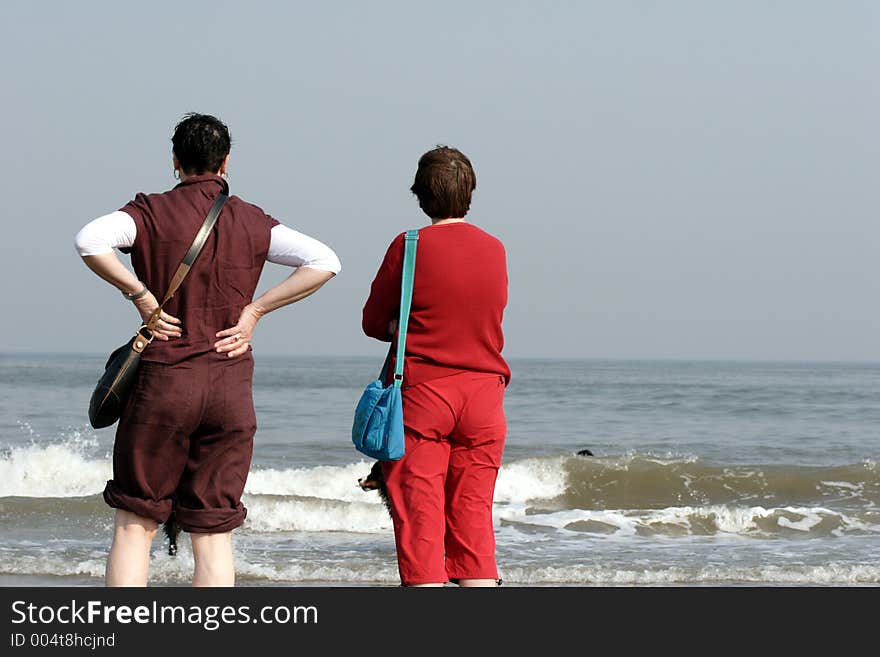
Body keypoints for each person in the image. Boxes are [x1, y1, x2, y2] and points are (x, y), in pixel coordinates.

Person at [74, 113, 341, 586]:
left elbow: (89, 240)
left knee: (137, 525)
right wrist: (255, 312)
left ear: (175, 161)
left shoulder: (150, 213)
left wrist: (141, 296)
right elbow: (324, 261)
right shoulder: (254, 221)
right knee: (213, 534)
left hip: (164, 387)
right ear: (226, 163)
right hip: (229, 389)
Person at [362, 145, 510, 587]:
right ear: (470, 193)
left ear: (421, 196)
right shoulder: (495, 249)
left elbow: (372, 323)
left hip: (424, 396)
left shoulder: (409, 246)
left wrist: (408, 327)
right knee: (474, 529)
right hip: (485, 397)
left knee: (420, 531)